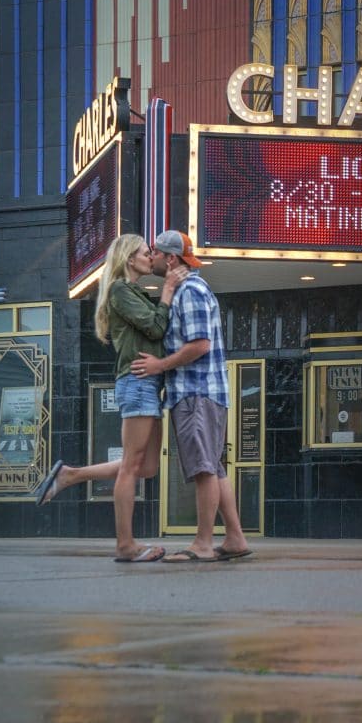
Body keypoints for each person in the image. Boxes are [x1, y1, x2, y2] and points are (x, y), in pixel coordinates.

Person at [35, 234, 187, 562]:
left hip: (148, 383)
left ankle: (70, 475)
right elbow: (155, 327)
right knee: (132, 466)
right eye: (146, 253)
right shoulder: (121, 290)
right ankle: (125, 545)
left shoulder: (132, 292)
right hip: (136, 382)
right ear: (129, 259)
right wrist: (168, 293)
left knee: (146, 466)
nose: (152, 257)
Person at [130, 229, 252, 563]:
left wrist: (160, 365)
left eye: (155, 252)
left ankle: (202, 543)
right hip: (201, 393)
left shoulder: (191, 291)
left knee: (203, 469)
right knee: (213, 467)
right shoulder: (187, 290)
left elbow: (200, 345)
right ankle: (236, 538)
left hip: (196, 393)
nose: (151, 256)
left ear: (170, 259)